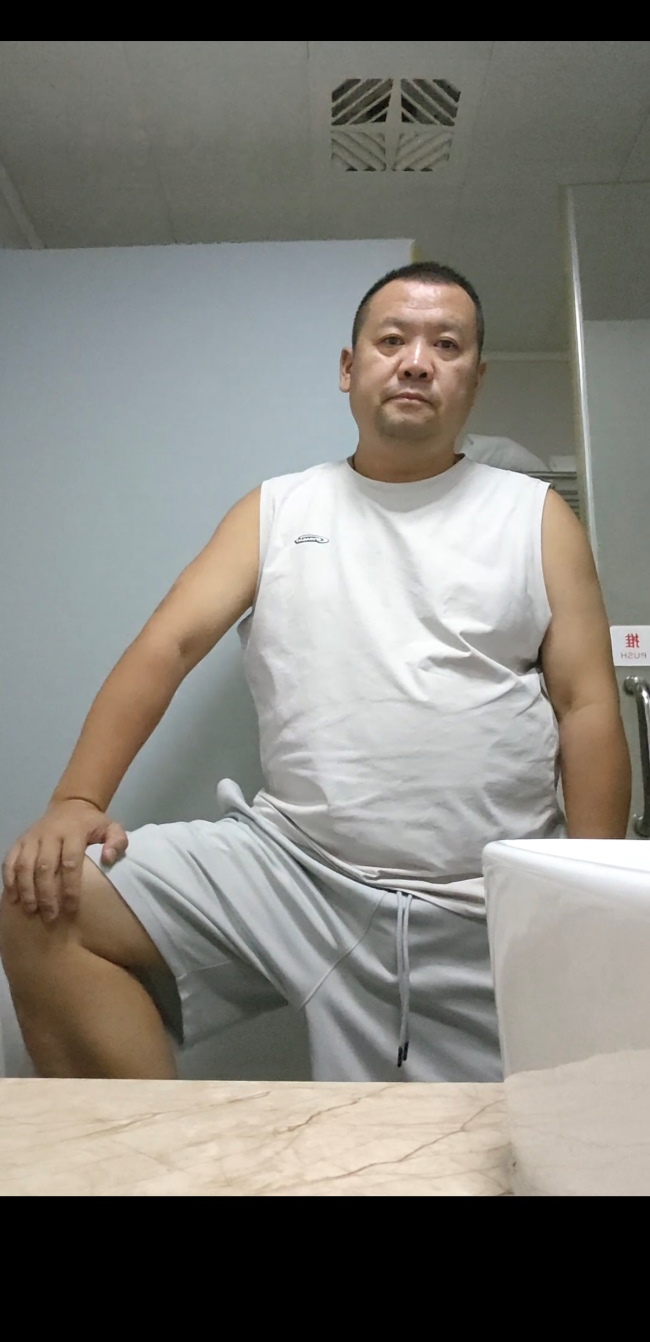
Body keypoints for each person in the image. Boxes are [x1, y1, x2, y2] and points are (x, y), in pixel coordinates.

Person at [0, 261, 631, 1083]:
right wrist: (78, 801)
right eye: (392, 340)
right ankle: (149, 1150)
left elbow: (586, 706)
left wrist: (587, 893)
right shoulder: (277, 509)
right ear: (348, 367)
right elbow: (169, 647)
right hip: (294, 875)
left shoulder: (535, 516)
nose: (416, 362)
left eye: (447, 346)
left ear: (476, 380)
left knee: (523, 1133)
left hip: (484, 898)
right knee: (41, 901)